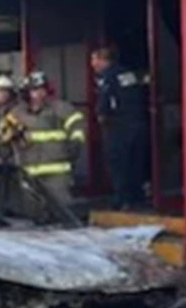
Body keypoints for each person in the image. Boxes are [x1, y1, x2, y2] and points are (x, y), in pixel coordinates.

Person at [10, 71, 86, 206]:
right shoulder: (17, 113)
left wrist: (75, 142)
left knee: (62, 208)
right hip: (29, 171)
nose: (38, 94)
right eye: (33, 90)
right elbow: (3, 132)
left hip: (57, 172)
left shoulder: (61, 108)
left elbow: (77, 124)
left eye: (41, 89)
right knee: (33, 210)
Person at [91, 46, 149, 210]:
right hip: (137, 123)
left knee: (118, 164)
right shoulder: (128, 74)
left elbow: (105, 100)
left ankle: (121, 199)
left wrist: (102, 115)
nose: (93, 64)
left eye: (94, 59)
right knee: (135, 162)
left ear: (103, 60)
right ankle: (137, 197)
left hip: (119, 127)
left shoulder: (108, 77)